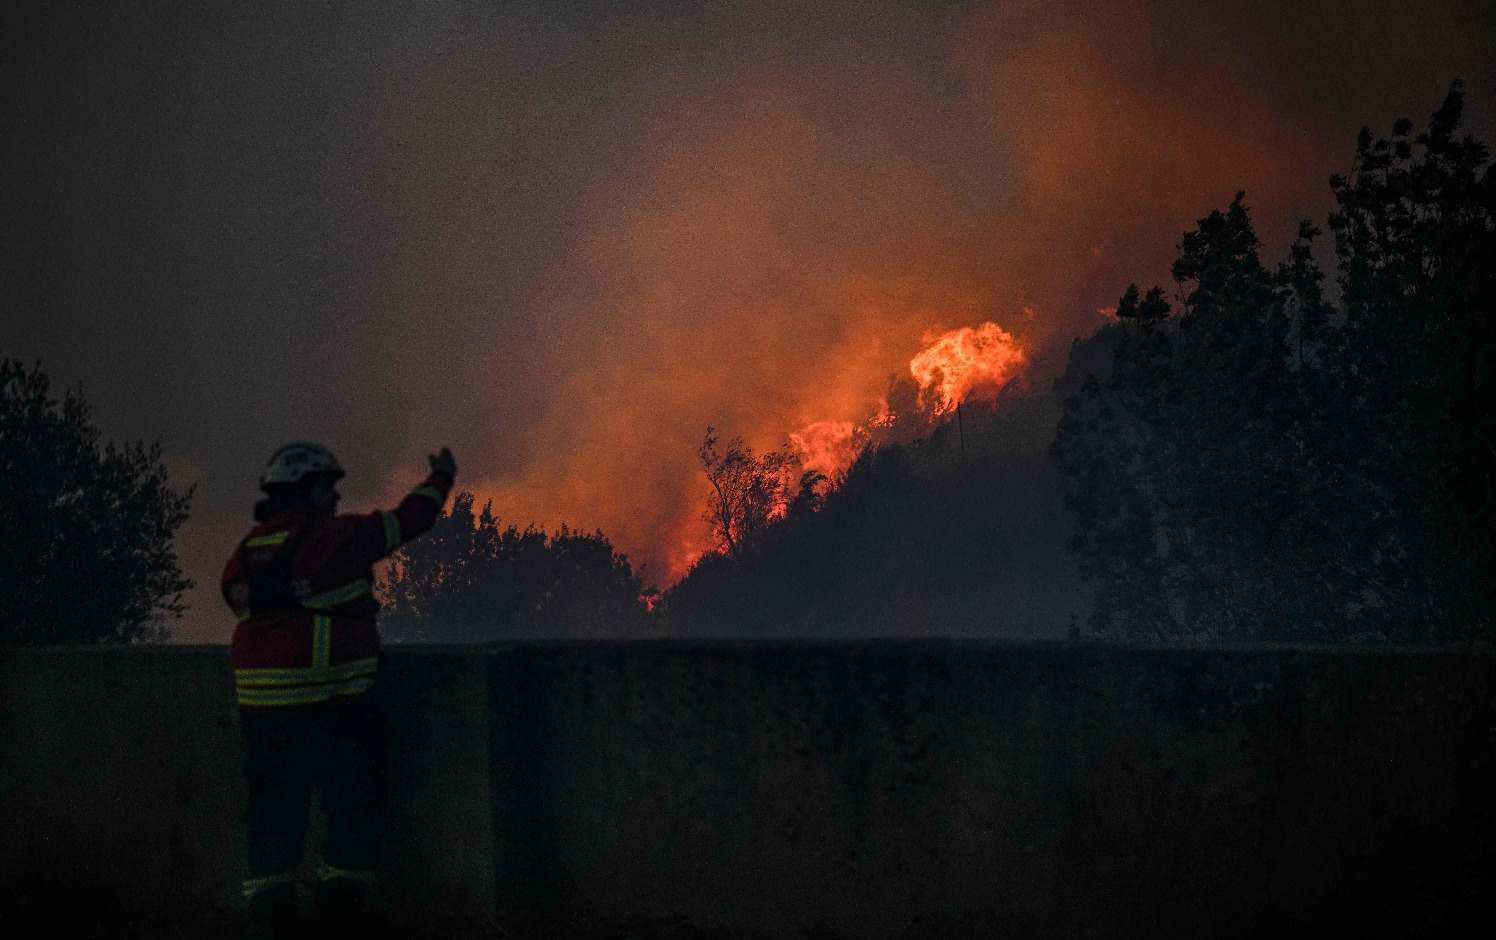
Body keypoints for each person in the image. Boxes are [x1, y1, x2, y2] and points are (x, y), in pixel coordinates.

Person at [221, 442, 455, 934]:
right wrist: (440, 479)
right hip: (330, 704)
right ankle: (341, 912)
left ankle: (271, 915)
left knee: (273, 811)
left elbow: (240, 603)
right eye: (328, 486)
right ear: (305, 491)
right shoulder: (335, 539)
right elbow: (405, 521)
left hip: (262, 710)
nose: (336, 496)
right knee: (355, 800)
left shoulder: (247, 551)